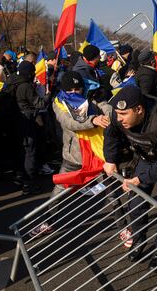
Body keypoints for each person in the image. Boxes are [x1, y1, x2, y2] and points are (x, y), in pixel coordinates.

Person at [103, 85, 157, 272]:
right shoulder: (120, 116)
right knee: (135, 205)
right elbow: (111, 134)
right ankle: (139, 240)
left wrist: (141, 179)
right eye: (117, 113)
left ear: (139, 109)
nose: (119, 118)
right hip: (147, 157)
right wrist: (110, 159)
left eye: (123, 114)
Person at [30, 71, 111, 236]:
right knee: (58, 192)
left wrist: (105, 110)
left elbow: (108, 109)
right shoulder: (58, 103)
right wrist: (93, 120)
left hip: (97, 154)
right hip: (73, 156)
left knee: (111, 193)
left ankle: (125, 226)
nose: (74, 93)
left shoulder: (90, 97)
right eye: (70, 90)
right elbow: (69, 122)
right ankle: (49, 222)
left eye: (77, 89)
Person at [10, 60, 52, 194]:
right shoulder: (25, 86)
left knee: (21, 151)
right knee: (29, 153)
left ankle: (20, 177)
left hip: (15, 121)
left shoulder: (12, 81)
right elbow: (39, 104)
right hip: (26, 121)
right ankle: (29, 184)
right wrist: (47, 95)